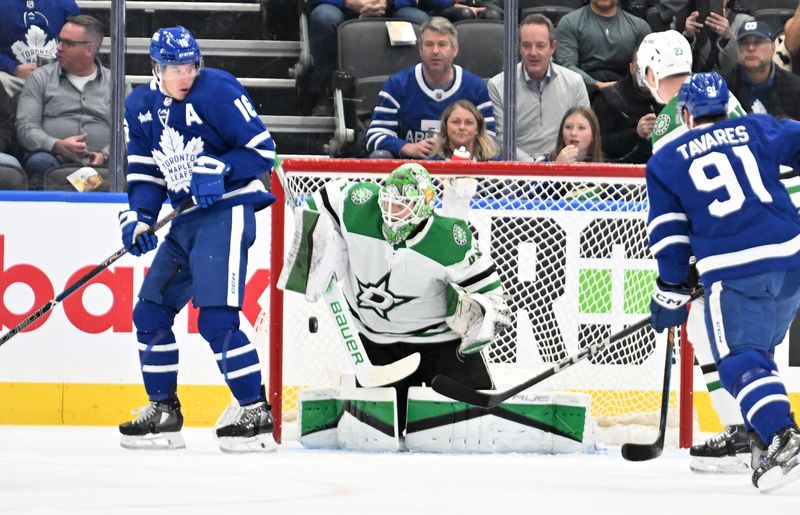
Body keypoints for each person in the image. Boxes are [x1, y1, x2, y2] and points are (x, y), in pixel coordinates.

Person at [118, 26, 277, 453]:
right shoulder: (140, 105)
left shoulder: (218, 90)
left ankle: (256, 412)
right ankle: (164, 412)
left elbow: (263, 152)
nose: (184, 75)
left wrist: (220, 168)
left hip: (226, 213)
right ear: (155, 67)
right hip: (185, 222)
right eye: (173, 68)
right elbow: (145, 173)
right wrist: (141, 218)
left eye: (190, 65)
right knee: (150, 313)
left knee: (215, 320)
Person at [646, 71, 800, 492]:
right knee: (760, 355)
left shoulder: (666, 160)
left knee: (738, 360)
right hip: (791, 263)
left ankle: (783, 436)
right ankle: (756, 437)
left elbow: (671, 236)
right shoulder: (757, 126)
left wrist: (671, 289)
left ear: (685, 115)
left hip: (736, 269)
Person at [279, 162, 509, 431]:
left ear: (423, 206)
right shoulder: (360, 202)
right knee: (382, 429)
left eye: (401, 206)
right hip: (377, 342)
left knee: (475, 420)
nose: (390, 213)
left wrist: (482, 314)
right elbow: (320, 202)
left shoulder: (450, 238)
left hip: (438, 341)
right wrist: (314, 247)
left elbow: (494, 297)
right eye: (387, 202)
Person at [640, 30, 753, 473]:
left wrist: (683, 268)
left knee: (708, 333)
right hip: (766, 232)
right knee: (741, 336)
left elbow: (682, 202)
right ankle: (759, 428)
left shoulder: (672, 121)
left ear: (651, 72)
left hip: (722, 246)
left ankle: (744, 433)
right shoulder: (728, 101)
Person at [15, 15, 123, 189]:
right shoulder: (40, 78)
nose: (58, 48)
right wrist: (56, 145)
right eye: (59, 40)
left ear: (89, 49)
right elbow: (25, 126)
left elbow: (127, 131)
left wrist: (106, 154)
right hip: (51, 158)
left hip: (100, 163)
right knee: (39, 162)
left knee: (120, 168)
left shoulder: (117, 83)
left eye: (67, 43)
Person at [365, 17, 495, 159]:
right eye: (429, 44)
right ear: (420, 50)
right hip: (407, 172)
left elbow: (488, 138)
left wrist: (455, 155)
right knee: (380, 156)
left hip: (462, 171)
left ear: (455, 50)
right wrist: (405, 147)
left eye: (442, 44)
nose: (435, 51)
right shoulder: (397, 84)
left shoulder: (475, 87)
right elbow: (375, 135)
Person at [488, 14, 589, 161]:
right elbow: (502, 141)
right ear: (519, 47)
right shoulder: (497, 85)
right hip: (517, 174)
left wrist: (558, 164)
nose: (533, 53)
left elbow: (584, 134)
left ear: (552, 47)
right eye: (527, 45)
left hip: (565, 168)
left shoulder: (574, 82)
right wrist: (541, 167)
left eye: (540, 46)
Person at [307, 0, 429, 116]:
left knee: (420, 21)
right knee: (324, 18)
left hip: (388, 8)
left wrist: (387, 2)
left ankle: (416, 94)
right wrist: (346, 2)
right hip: (340, 7)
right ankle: (325, 93)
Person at [554, 0, 651, 95]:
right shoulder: (569, 23)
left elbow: (644, 71)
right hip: (584, 93)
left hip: (626, 93)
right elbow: (567, 67)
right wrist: (598, 85)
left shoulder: (640, 27)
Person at [591, 40, 661, 163]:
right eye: (641, 67)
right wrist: (636, 133)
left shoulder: (671, 99)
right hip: (619, 175)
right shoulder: (608, 97)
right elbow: (598, 143)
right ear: (631, 68)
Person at [0, 0, 79, 98]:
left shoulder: (65, 4)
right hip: (11, 80)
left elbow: (78, 44)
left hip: (58, 78)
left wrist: (59, 68)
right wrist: (13, 68)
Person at [723, 20, 800, 120]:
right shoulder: (724, 87)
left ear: (773, 48)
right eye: (744, 42)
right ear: (737, 49)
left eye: (758, 42)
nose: (750, 48)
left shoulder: (795, 88)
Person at [681, 0, 753, 74]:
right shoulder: (692, 18)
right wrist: (688, 37)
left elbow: (747, 64)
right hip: (696, 79)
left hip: (729, 81)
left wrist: (728, 38)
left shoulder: (745, 22)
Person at [429, 99, 498, 161]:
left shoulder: (493, 164)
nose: (462, 127)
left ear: (477, 129)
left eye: (468, 122)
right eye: (456, 122)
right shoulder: (431, 164)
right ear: (445, 126)